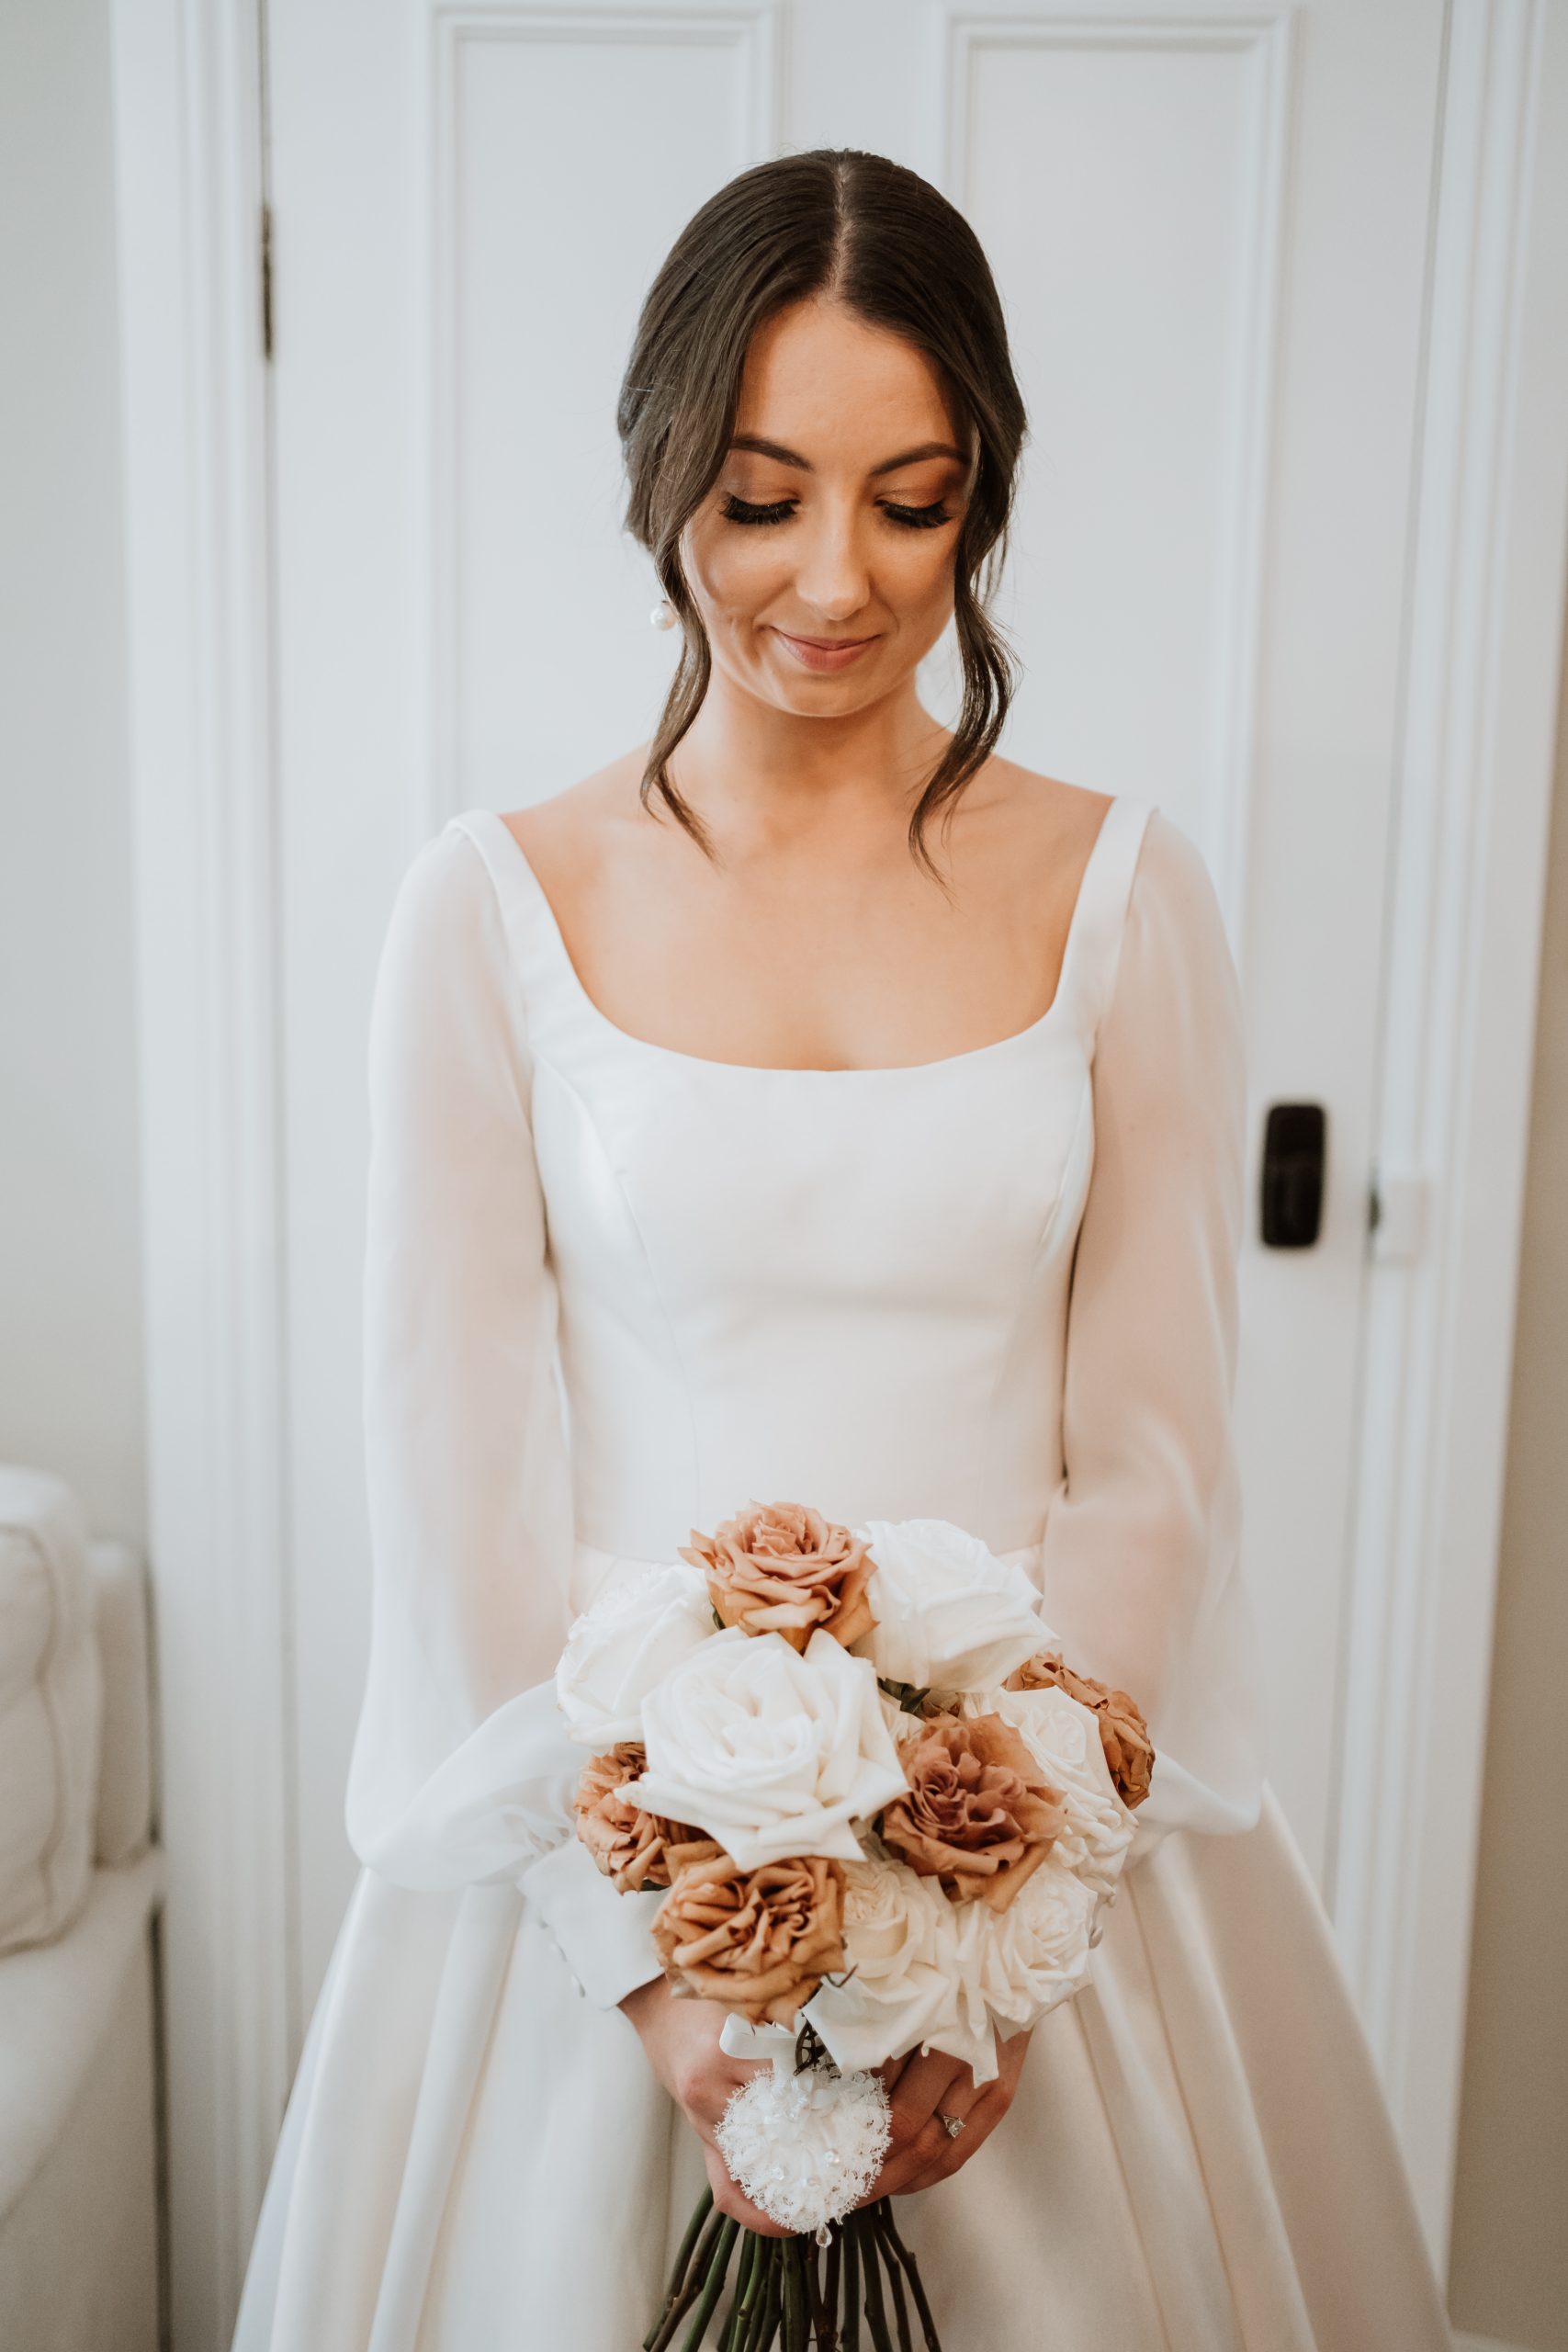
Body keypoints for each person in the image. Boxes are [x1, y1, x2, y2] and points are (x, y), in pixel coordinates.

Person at [232, 148, 1455, 2349]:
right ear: (659, 475)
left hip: (1040, 1880)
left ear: (980, 490)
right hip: (598, 1880)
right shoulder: (487, 905)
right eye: (761, 492)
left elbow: (1151, 1465)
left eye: (910, 496)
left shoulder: (1121, 889)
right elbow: (458, 1493)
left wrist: (1003, 1934)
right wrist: (653, 1978)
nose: (834, 575)